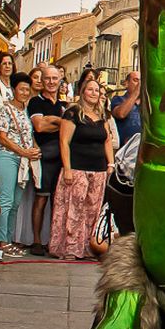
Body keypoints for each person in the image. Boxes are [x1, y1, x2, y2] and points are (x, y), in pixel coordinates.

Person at [50, 75, 115, 261]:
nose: (94, 93)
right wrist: (67, 168)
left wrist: (110, 163)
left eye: (97, 90)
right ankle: (69, 248)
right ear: (82, 92)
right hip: (77, 167)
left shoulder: (102, 115)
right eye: (90, 89)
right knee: (74, 208)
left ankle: (87, 247)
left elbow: (107, 140)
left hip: (99, 169)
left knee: (92, 209)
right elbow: (64, 141)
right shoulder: (73, 113)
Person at [0, 72, 38, 256]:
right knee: (6, 199)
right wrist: (22, 151)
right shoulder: (6, 109)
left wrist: (34, 149)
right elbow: (2, 137)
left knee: (15, 203)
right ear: (14, 90)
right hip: (7, 157)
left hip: (23, 161)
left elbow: (28, 135)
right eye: (22, 89)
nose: (25, 93)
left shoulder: (25, 111)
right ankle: (2, 241)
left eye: (28, 89)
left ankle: (9, 240)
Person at [26, 64, 65, 254]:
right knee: (41, 198)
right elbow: (40, 126)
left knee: (58, 200)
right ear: (42, 81)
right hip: (44, 154)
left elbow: (69, 129)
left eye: (54, 79)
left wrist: (53, 121)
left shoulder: (63, 105)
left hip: (61, 156)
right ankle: (36, 240)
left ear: (60, 81)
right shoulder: (35, 102)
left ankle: (54, 241)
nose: (51, 82)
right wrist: (61, 122)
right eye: (47, 78)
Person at [110, 70, 142, 146]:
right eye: (136, 80)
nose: (139, 84)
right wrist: (136, 92)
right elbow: (121, 114)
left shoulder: (147, 104)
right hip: (124, 150)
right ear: (126, 83)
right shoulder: (118, 99)